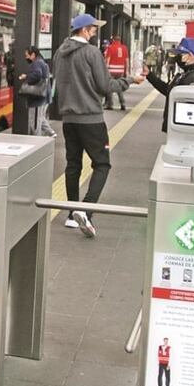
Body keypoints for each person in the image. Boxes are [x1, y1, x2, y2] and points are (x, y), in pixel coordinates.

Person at [53, 13, 124, 238]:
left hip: (69, 120)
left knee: (73, 164)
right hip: (91, 119)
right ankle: (86, 209)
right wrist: (128, 81)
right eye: (93, 29)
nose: (94, 32)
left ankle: (72, 212)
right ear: (84, 30)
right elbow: (104, 86)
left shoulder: (59, 53)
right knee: (102, 164)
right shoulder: (91, 53)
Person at [132, 37, 194, 132]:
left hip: (183, 133)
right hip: (178, 130)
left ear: (190, 55)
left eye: (180, 54)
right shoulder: (187, 74)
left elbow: (192, 113)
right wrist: (150, 75)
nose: (177, 57)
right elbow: (169, 91)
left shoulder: (193, 79)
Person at [18, 45, 56, 137]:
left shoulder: (37, 63)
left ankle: (36, 140)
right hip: (42, 96)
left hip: (36, 98)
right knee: (39, 118)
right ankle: (50, 132)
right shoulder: (42, 62)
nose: (26, 57)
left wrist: (26, 77)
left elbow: (37, 75)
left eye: (27, 55)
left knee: (34, 122)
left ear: (33, 55)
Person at [104, 36, 129, 110]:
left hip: (111, 70)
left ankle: (110, 104)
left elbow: (107, 60)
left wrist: (105, 70)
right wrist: (126, 71)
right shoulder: (124, 48)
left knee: (109, 87)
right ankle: (122, 103)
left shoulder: (110, 47)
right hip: (120, 70)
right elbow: (127, 61)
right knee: (119, 87)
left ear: (114, 40)